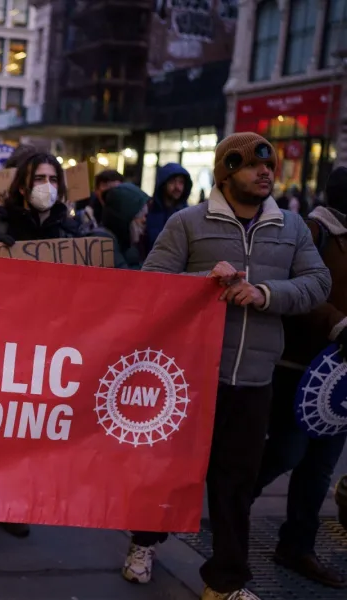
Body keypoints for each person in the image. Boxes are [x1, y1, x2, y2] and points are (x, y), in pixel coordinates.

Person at [124, 132, 331, 600]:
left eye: (269, 166)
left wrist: (266, 294)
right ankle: (143, 542)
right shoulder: (188, 223)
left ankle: (226, 581)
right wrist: (205, 282)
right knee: (169, 472)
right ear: (225, 172)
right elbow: (150, 286)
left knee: (236, 485)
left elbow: (318, 282)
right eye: (252, 166)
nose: (265, 173)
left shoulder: (291, 227)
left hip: (254, 380)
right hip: (189, 378)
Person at [250, 166, 347, 589]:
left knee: (321, 467)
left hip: (340, 378)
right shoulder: (309, 231)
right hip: (298, 368)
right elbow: (293, 288)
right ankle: (231, 504)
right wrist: (338, 324)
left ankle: (297, 546)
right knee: (285, 453)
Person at [0, 152, 79, 243]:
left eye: (53, 179)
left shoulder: (69, 230)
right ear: (22, 188)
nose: (47, 185)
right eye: (39, 179)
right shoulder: (1, 227)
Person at [93, 182, 149, 269]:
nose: (144, 220)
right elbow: (126, 279)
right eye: (140, 215)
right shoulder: (102, 240)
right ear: (125, 216)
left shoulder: (126, 244)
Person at [145, 163, 192, 254]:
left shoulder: (187, 215)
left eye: (181, 182)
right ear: (162, 184)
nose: (177, 187)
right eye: (172, 182)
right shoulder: (148, 210)